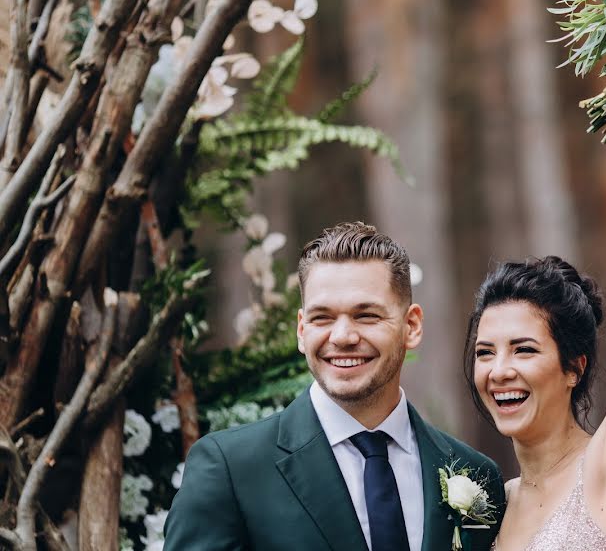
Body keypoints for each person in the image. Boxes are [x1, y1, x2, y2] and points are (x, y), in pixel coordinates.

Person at [165, 223, 505, 550]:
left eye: (366, 315)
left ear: (411, 326)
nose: (342, 337)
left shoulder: (476, 476)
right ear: (301, 330)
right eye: (322, 318)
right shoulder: (231, 470)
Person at [464, 48, 606, 550]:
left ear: (573, 367)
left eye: (523, 349)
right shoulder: (486, 509)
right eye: (485, 352)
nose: (498, 370)